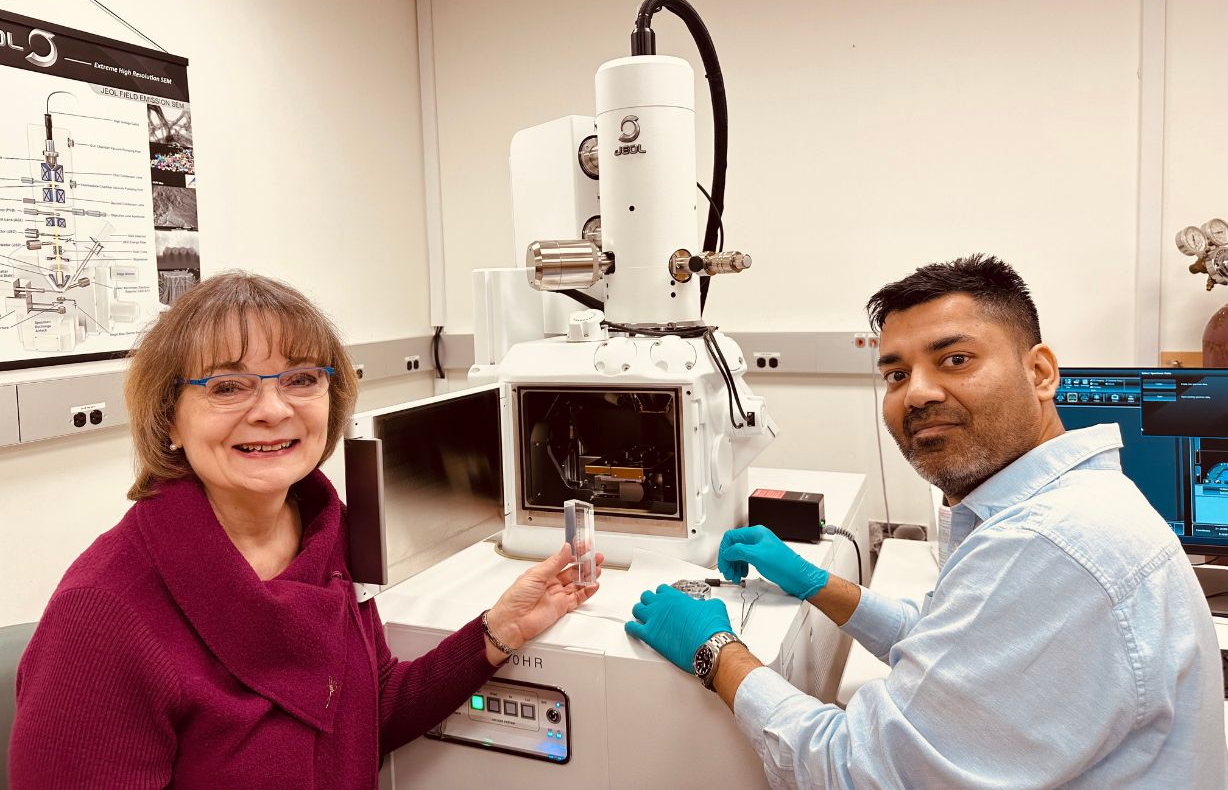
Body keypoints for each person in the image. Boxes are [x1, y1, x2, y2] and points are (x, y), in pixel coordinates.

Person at [626, 254, 1226, 788]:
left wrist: (716, 651)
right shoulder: (1052, 505)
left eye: (956, 359)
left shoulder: (1046, 544)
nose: (917, 393)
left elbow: (858, 772)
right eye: (895, 374)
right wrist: (816, 585)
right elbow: (952, 638)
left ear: (1041, 372)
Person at [9, 272, 601, 788]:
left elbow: (362, 713)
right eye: (226, 386)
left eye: (300, 379)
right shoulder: (103, 615)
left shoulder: (327, 538)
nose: (272, 409)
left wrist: (497, 632)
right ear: (169, 421)